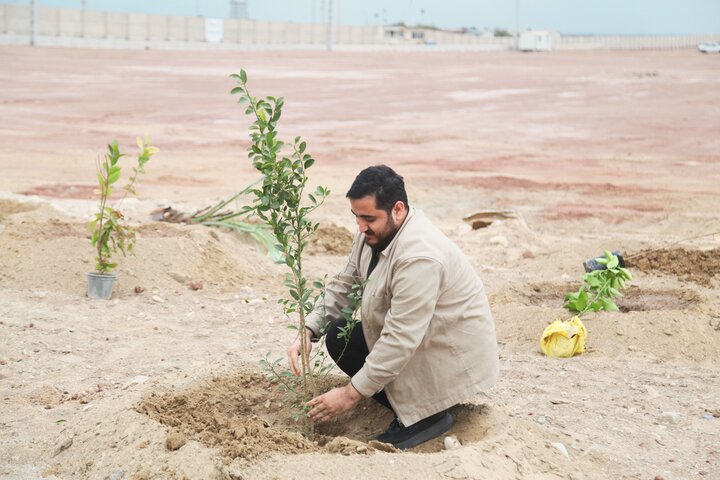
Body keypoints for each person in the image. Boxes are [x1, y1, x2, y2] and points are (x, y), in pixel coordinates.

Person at [287, 165, 499, 449]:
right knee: (340, 336)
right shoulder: (373, 234)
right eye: (357, 217)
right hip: (420, 337)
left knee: (383, 348)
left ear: (398, 209)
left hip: (447, 353)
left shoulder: (420, 256)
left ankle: (427, 417)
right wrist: (309, 329)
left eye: (368, 218)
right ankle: (413, 406)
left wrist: (350, 394)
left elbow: (401, 338)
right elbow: (345, 285)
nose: (361, 227)